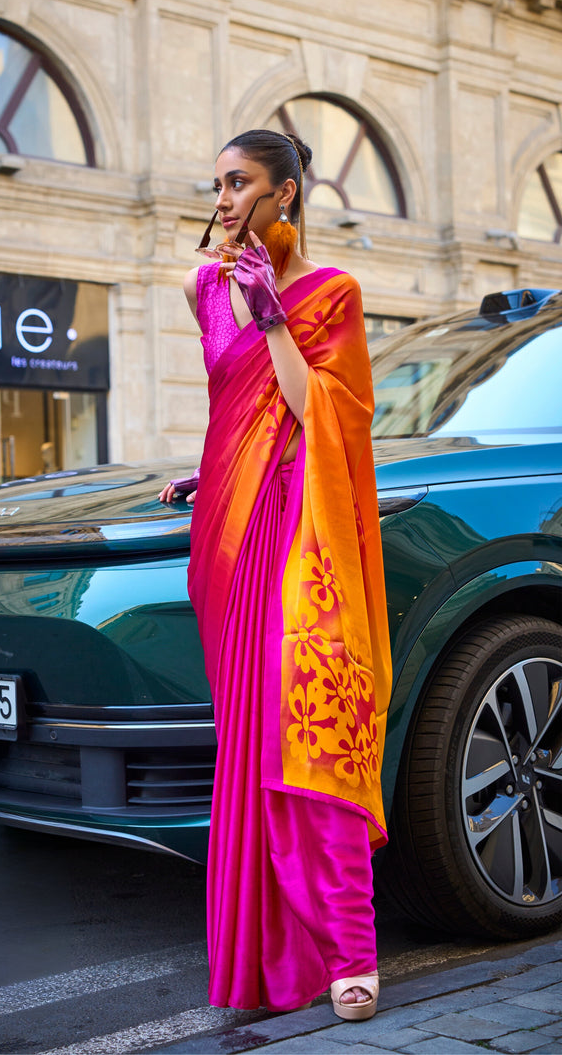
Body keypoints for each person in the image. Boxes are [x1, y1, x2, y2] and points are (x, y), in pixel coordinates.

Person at [158, 129, 392, 1019]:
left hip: (306, 530)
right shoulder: (199, 287)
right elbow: (237, 406)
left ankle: (351, 948)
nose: (221, 199)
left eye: (239, 182)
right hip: (230, 528)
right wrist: (210, 464)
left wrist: (270, 313)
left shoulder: (334, 292)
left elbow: (325, 409)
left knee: (313, 723)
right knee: (252, 741)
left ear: (285, 192)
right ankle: (273, 956)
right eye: (215, 183)